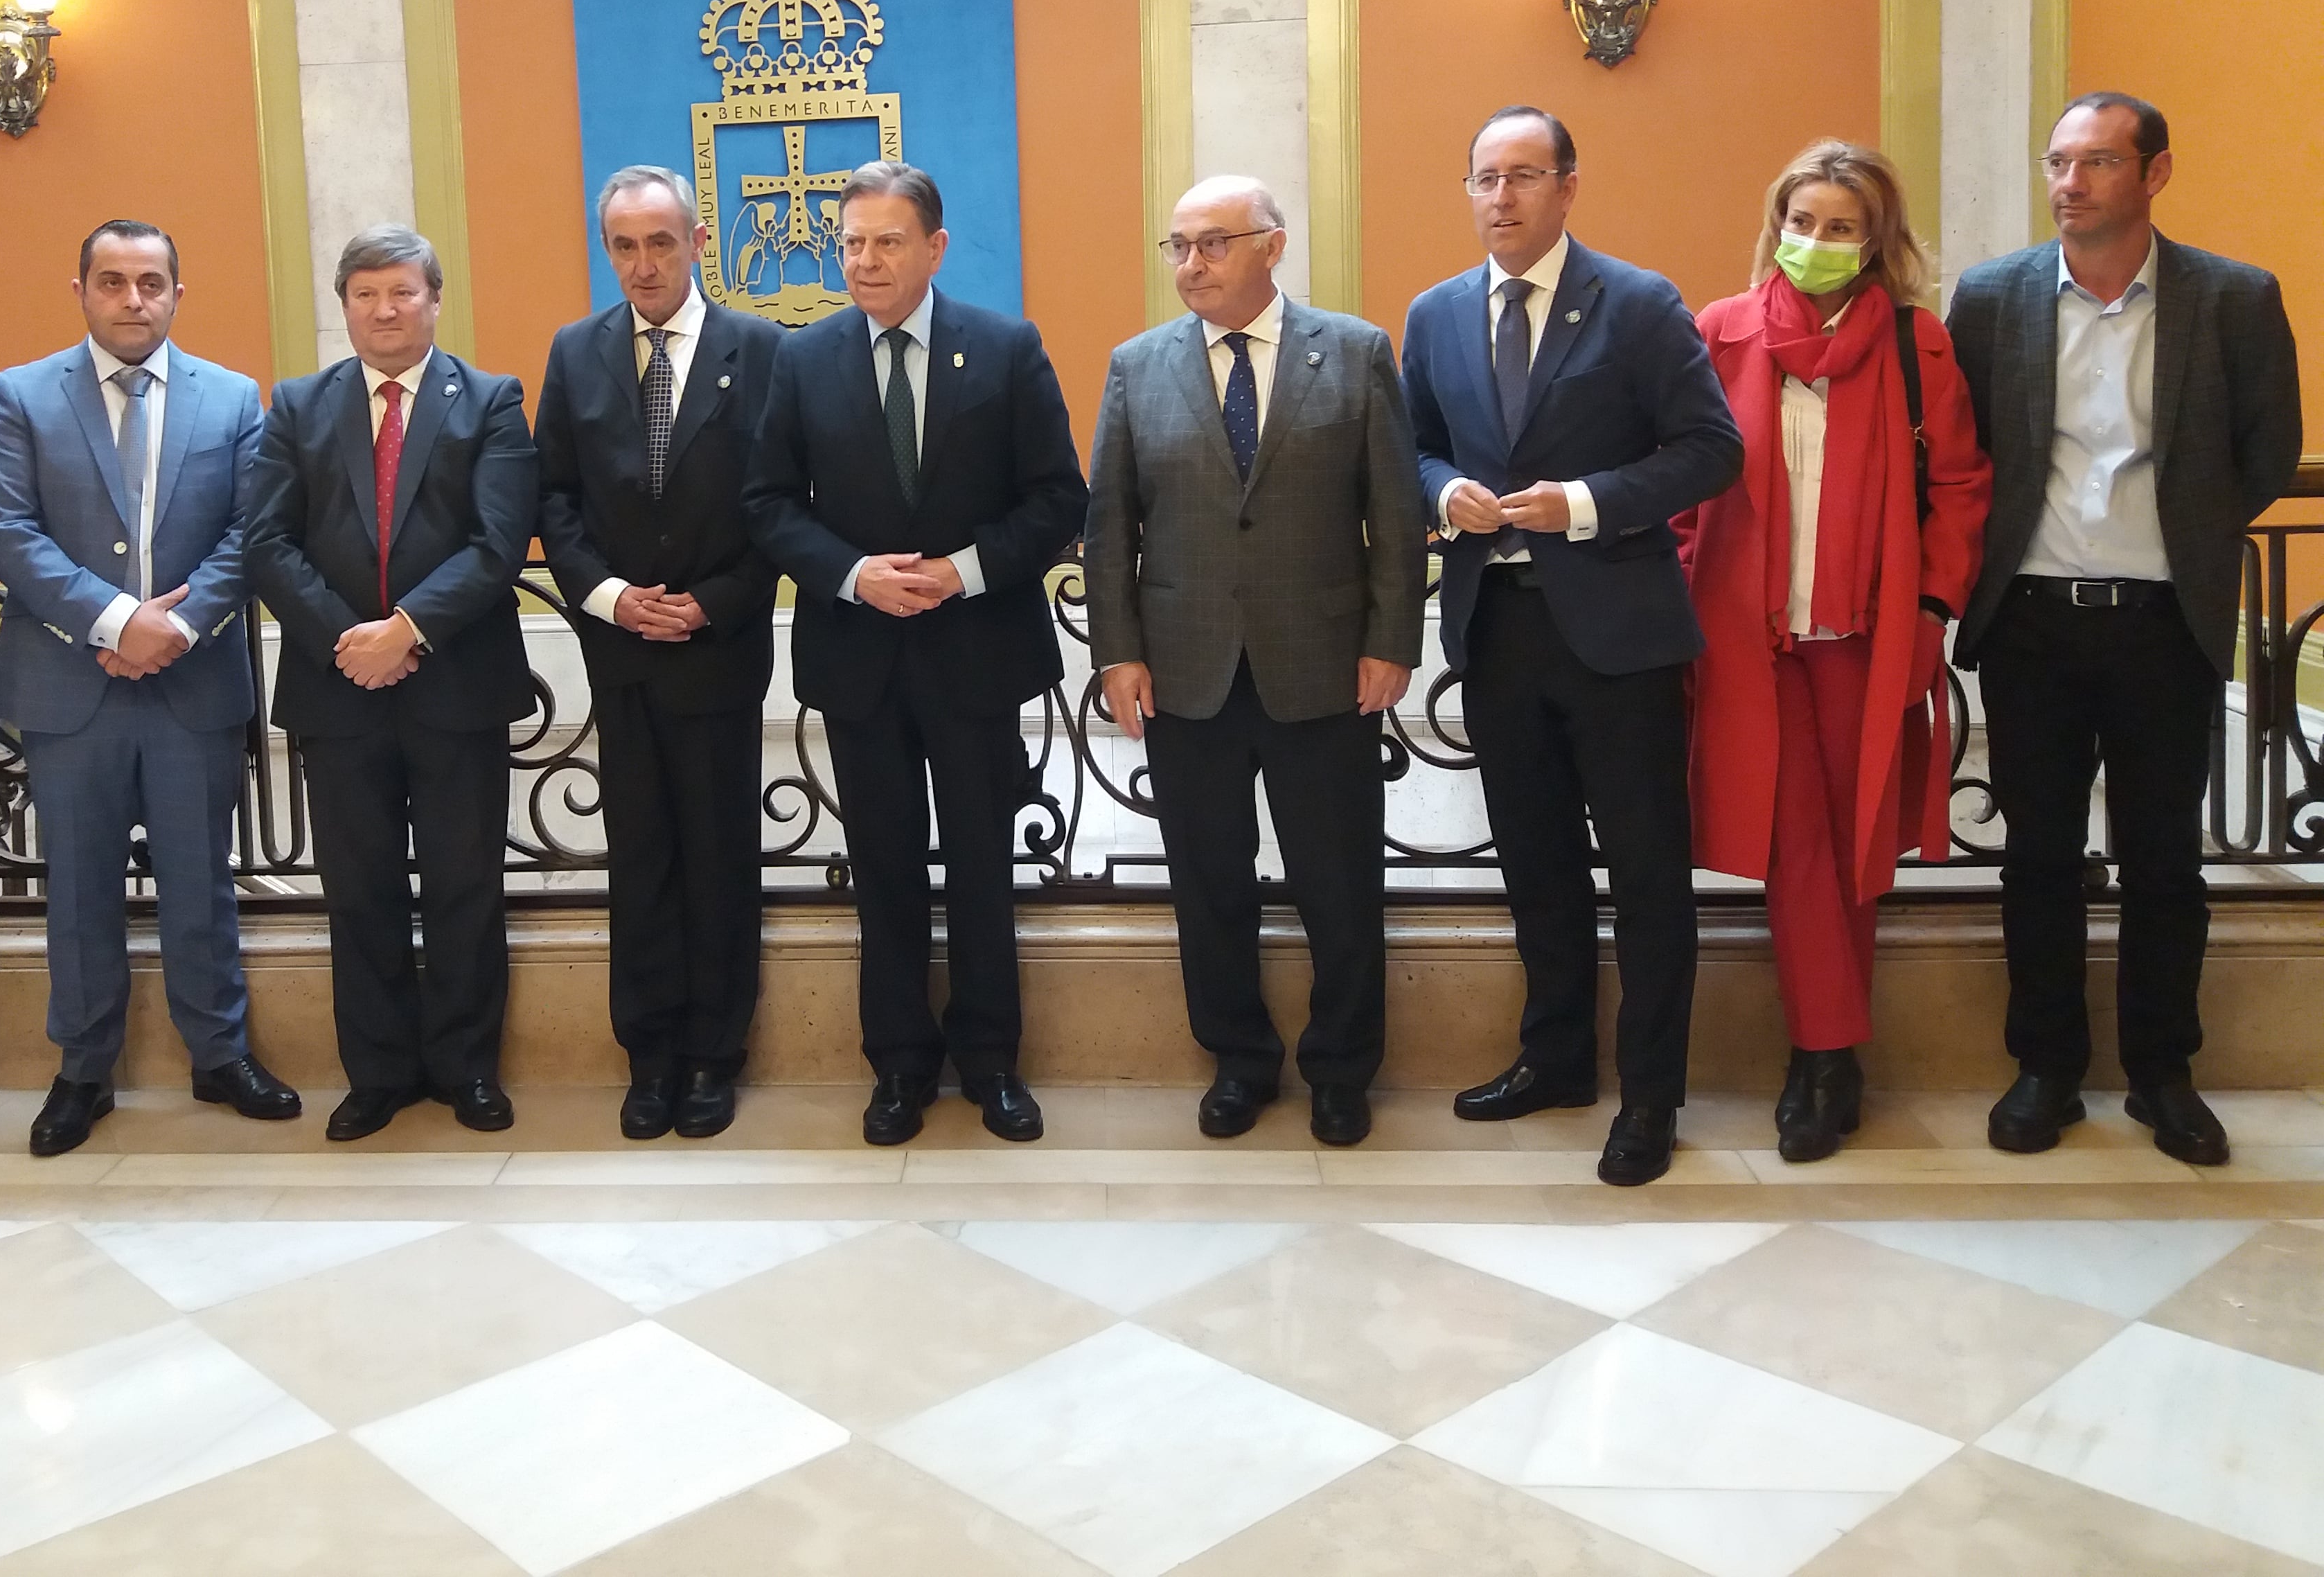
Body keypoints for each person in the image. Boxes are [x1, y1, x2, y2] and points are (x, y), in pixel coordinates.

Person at [1949, 92, 2302, 1165]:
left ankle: (2163, 1073)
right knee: (2038, 858)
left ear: (2154, 175)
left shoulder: (2233, 298)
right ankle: (2045, 1068)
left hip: (2163, 622)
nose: (2069, 183)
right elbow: (1964, 452)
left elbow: (2269, 446)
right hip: (2033, 624)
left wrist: (2184, 535)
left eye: (2097, 162)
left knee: (2164, 862)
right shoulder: (1993, 297)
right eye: (2058, 162)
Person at [1399, 106, 1743, 1187]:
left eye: (1523, 177)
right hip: (1495, 630)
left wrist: (1586, 503)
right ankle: (1555, 1061)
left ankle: (1650, 1096)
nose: (1500, 198)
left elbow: (1710, 451)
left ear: (1568, 188)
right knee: (1535, 866)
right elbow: (1410, 446)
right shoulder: (1437, 314)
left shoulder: (1638, 305)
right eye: (1484, 178)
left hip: (1620, 635)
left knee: (1646, 877)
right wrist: (1440, 489)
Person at [743, 162, 1088, 1145]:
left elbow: (1059, 499)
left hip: (976, 655)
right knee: (883, 870)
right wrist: (855, 575)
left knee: (984, 868)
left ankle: (992, 1064)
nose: (865, 260)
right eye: (851, 242)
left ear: (934, 249)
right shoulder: (801, 360)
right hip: (859, 659)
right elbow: (767, 505)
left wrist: (964, 570)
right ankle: (898, 1066)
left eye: (887, 242)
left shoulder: (1007, 347)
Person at [1083, 177, 1426, 1146]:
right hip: (1187, 673)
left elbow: (1397, 517)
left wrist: (1392, 640)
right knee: (1208, 883)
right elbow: (1108, 527)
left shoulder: (1354, 354)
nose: (1190, 265)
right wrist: (1119, 654)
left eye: (1213, 244)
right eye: (1178, 246)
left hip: (1324, 667)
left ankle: (1341, 1069)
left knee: (1340, 882)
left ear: (1272, 248)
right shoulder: (1136, 366)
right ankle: (1238, 1060)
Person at [1675, 143, 1989, 1164]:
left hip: (1868, 636)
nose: (1814, 243)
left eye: (1840, 227)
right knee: (1797, 846)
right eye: (1800, 222)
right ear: (1776, 226)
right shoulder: (1718, 333)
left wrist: (1935, 608)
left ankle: (1831, 1056)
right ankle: (1823, 1059)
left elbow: (1961, 486)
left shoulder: (1916, 344)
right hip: (1750, 645)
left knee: (1856, 853)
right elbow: (1682, 482)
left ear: (1877, 241)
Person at [0, 220, 299, 1158]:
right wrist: (119, 623)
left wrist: (179, 627)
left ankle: (220, 1054)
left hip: (192, 684)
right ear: (79, 290)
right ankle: (82, 1069)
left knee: (203, 881)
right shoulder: (22, 396)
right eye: (111, 282)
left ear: (177, 294)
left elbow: (253, 530)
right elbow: (9, 533)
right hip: (70, 688)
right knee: (78, 888)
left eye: (151, 282)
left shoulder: (235, 399)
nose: (133, 300)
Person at [245, 225, 538, 1140]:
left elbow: (499, 543)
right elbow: (267, 541)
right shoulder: (296, 406)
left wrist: (408, 632)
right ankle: (376, 1074)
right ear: (344, 306)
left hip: (457, 686)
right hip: (340, 693)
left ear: (435, 299)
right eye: (366, 294)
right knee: (359, 891)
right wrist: (351, 640)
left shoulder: (489, 400)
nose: (384, 309)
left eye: (403, 292)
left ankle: (465, 1069)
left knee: (464, 887)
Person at [536, 167, 783, 1139]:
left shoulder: (762, 350)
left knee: (722, 858)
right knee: (639, 860)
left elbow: (782, 500)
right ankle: (649, 1055)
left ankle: (717, 1056)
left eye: (661, 243)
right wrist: (610, 598)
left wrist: (710, 606)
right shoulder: (576, 351)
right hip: (623, 649)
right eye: (625, 246)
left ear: (698, 242)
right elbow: (554, 497)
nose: (643, 264)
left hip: (717, 650)